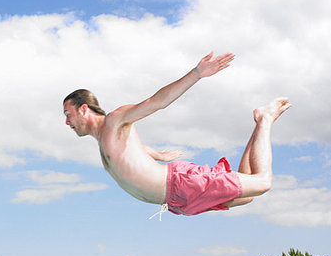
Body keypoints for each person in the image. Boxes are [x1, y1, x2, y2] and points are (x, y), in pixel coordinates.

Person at [63, 51, 291, 217]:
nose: (67, 122)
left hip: (181, 184)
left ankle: (265, 119)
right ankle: (258, 124)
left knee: (262, 182)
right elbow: (134, 151)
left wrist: (197, 73)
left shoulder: (115, 120)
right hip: (178, 201)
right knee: (247, 195)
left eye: (68, 114)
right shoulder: (104, 141)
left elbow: (156, 102)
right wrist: (158, 155)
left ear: (84, 109)